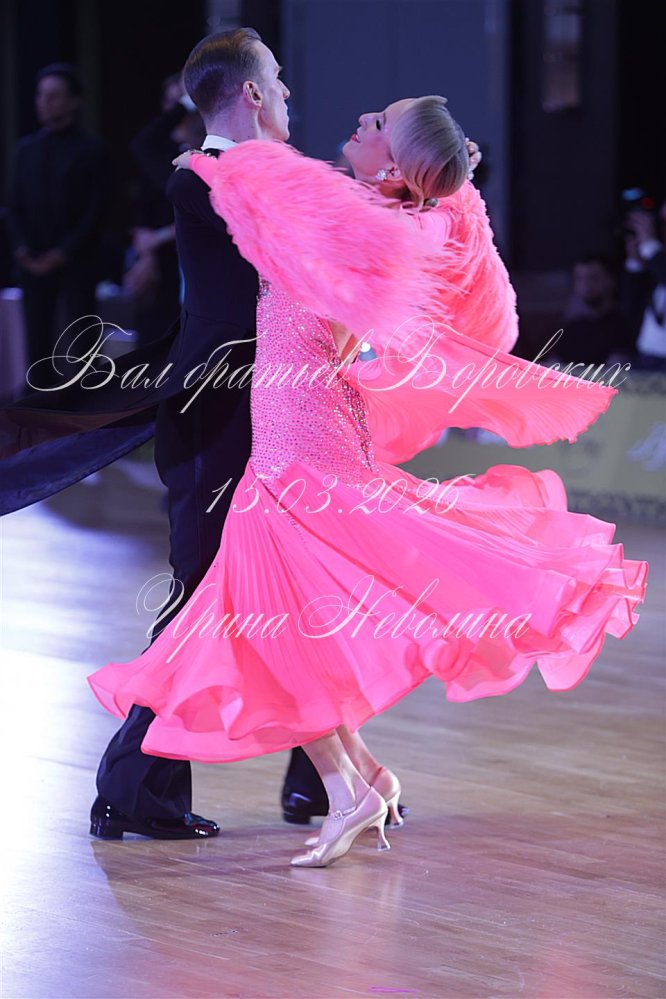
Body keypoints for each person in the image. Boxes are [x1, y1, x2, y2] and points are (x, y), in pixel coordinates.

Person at [88, 95, 647, 868]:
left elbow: (281, 228)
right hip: (298, 422)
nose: (360, 122)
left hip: (302, 430)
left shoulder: (378, 227)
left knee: (271, 609)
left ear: (393, 164)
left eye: (379, 124)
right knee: (279, 609)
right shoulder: (367, 213)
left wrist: (213, 165)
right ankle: (361, 779)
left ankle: (347, 786)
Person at [7, 63, 110, 371]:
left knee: (80, 343)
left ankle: (83, 397)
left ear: (74, 101)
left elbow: (96, 210)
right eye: (41, 95)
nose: (44, 102)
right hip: (32, 260)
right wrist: (22, 249)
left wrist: (63, 252)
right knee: (37, 344)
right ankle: (38, 397)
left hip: (77, 262)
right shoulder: (26, 149)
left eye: (53, 96)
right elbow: (13, 206)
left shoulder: (91, 149)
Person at [553, 254, 635, 366]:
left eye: (593, 277)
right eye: (579, 278)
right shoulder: (571, 328)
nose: (585, 284)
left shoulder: (624, 324)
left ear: (611, 280)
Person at [622, 204, 666, 372]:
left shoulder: (657, 258)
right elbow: (629, 306)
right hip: (646, 356)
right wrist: (636, 264)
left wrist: (650, 246)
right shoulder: (658, 262)